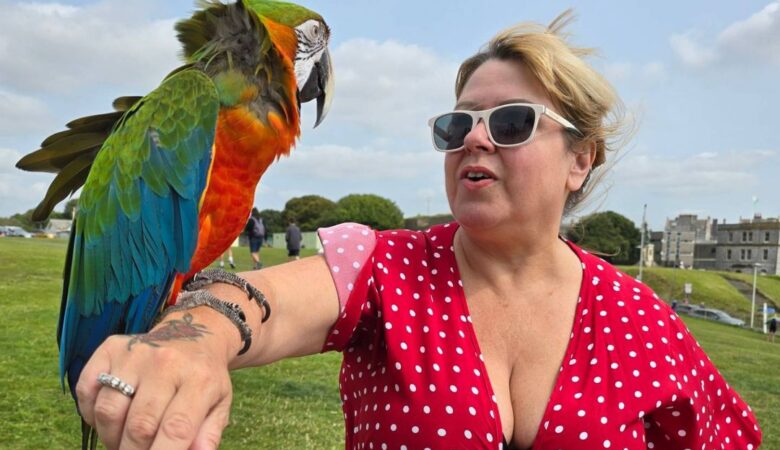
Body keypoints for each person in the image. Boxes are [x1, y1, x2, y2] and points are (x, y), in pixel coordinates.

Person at [75, 12, 761, 450]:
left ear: (580, 160)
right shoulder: (387, 267)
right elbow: (261, 302)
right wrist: (194, 338)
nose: (475, 140)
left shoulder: (645, 322)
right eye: (457, 125)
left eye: (512, 122)